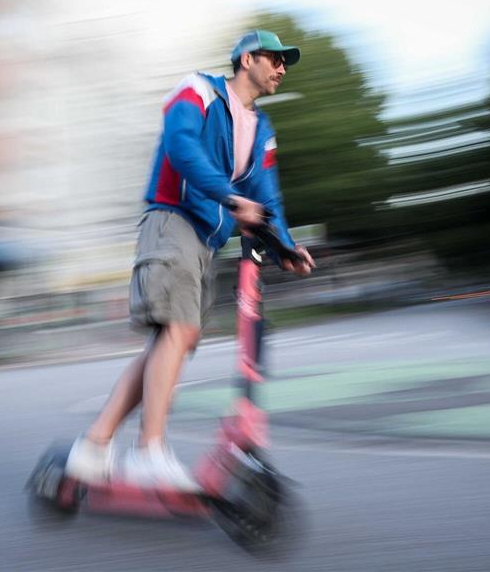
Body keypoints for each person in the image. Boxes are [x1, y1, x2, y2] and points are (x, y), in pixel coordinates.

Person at [66, 30, 315, 491]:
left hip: (205, 240)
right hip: (172, 220)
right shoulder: (198, 90)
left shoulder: (261, 130)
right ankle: (149, 453)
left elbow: (267, 196)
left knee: (172, 342)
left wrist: (286, 246)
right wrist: (230, 198)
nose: (282, 68)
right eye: (275, 59)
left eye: (286, 63)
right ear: (247, 59)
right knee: (177, 333)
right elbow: (182, 147)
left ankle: (94, 446)